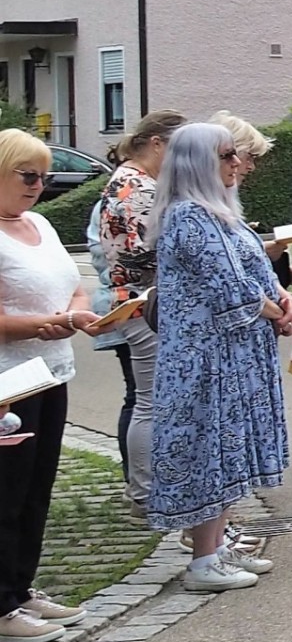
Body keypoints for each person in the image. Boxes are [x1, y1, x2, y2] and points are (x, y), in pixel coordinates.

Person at [145, 122, 292, 588]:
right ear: (197, 163)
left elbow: (252, 267)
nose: (236, 164)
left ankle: (220, 545)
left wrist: (280, 297)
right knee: (208, 450)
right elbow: (228, 285)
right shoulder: (190, 216)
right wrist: (274, 310)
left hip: (233, 354)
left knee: (229, 450)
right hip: (203, 360)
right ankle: (204, 560)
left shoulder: (220, 212)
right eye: (226, 155)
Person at [0, 130, 95, 639]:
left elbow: (75, 285)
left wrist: (76, 313)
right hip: (7, 381)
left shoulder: (37, 222)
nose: (38, 186)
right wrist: (40, 323)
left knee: (37, 489)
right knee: (6, 492)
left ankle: (20, 587)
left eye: (44, 177)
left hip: (51, 371)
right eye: (28, 175)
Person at [92, 111, 184, 516]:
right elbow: (145, 249)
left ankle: (151, 488)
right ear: (157, 143)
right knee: (150, 402)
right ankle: (145, 492)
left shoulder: (141, 182)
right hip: (142, 303)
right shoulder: (134, 185)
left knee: (153, 399)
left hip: (146, 301)